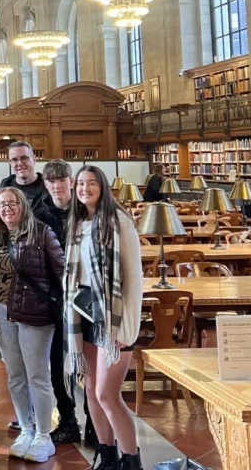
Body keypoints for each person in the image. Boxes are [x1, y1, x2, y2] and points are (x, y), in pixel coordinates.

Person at [64, 166, 143, 470]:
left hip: (113, 317)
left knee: (107, 395)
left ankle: (131, 461)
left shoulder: (118, 221)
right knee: (91, 394)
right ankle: (107, 456)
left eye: (91, 183)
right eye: (80, 184)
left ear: (103, 187)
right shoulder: (78, 222)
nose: (85, 189)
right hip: (83, 313)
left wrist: (127, 327)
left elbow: (133, 278)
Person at [0, 186, 64, 464]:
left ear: (22, 205)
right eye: (1, 205)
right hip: (4, 312)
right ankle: (26, 430)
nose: (6, 209)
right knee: (15, 376)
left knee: (37, 375)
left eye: (11, 203)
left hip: (35, 314)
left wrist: (62, 312)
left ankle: (44, 435)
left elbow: (62, 272)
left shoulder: (42, 233)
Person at [40, 159, 95, 449]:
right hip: (55, 300)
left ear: (71, 182)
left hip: (86, 298)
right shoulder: (39, 214)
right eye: (52, 183)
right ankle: (68, 420)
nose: (58, 187)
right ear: (46, 185)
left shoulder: (86, 210)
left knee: (90, 361)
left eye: (62, 182)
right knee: (58, 364)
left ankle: (95, 422)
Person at [0, 142, 51, 219]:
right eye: (14, 160)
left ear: (34, 159)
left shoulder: (48, 186)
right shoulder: (5, 187)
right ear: (10, 163)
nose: (19, 163)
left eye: (24, 158)